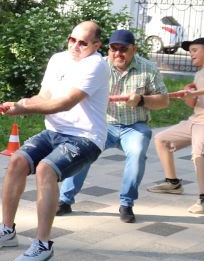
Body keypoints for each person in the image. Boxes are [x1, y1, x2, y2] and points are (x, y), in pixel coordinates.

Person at [0, 20, 110, 261]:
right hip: (54, 132)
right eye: (72, 39)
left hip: (86, 137)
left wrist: (23, 110)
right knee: (16, 161)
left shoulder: (97, 65)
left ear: (96, 45)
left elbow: (65, 103)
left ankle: (43, 245)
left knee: (45, 169)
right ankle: (7, 230)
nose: (75, 46)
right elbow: (46, 97)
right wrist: (24, 102)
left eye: (83, 43)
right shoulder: (58, 59)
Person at [55, 29, 170, 224]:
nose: (118, 54)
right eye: (113, 49)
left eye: (123, 49)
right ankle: (64, 200)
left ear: (134, 49)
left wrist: (142, 100)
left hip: (134, 126)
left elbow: (164, 101)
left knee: (137, 153)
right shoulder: (98, 66)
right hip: (102, 125)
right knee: (82, 152)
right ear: (108, 49)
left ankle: (126, 203)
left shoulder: (148, 69)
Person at [147, 37, 204, 214]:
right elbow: (194, 104)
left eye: (194, 50)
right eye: (190, 51)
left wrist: (194, 91)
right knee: (161, 139)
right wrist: (188, 96)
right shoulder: (199, 74)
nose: (191, 54)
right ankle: (173, 183)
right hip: (196, 120)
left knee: (198, 153)